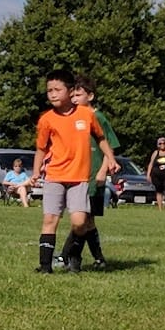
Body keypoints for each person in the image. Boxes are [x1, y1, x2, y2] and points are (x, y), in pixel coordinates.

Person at [32, 69, 119, 274]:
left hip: (79, 178)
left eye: (57, 90)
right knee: (50, 220)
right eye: (49, 90)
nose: (52, 94)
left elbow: (101, 138)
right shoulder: (47, 119)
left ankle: (73, 256)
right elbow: (41, 149)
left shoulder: (86, 115)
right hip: (54, 176)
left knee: (80, 222)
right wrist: (36, 172)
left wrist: (111, 159)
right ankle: (45, 267)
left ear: (70, 92)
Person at [56, 74, 120, 269]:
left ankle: (65, 257)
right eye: (72, 95)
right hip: (77, 175)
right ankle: (98, 259)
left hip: (92, 176)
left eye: (78, 95)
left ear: (90, 96)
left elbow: (110, 146)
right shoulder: (74, 119)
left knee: (82, 219)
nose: (74, 99)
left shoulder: (97, 117)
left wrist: (103, 171)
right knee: (86, 220)